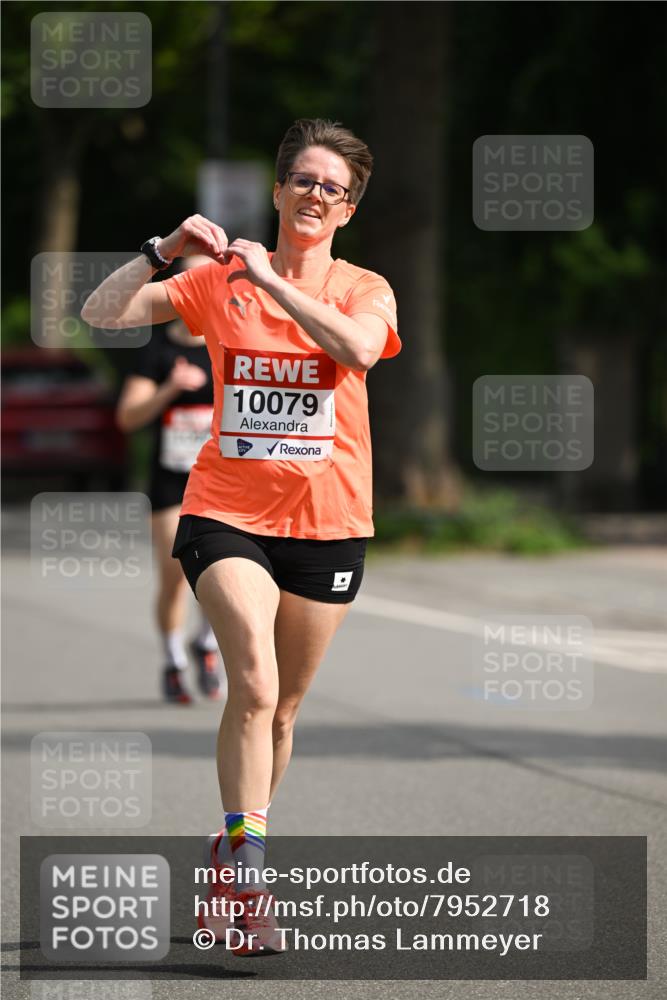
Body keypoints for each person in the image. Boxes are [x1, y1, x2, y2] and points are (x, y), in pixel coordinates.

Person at [81, 117, 400, 956]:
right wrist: (163, 248)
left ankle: (229, 850)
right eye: (303, 180)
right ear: (278, 190)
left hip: (330, 524)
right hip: (225, 511)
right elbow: (99, 311)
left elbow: (358, 352)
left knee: (284, 711)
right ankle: (247, 881)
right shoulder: (216, 280)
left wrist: (273, 281)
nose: (315, 194)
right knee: (253, 686)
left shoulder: (364, 288)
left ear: (347, 210)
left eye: (333, 187)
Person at [115, 256, 225, 705]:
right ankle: (174, 660)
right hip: (171, 483)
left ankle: (208, 645)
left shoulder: (231, 345)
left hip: (222, 481)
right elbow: (127, 417)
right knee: (175, 576)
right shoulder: (157, 352)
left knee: (222, 575)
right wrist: (171, 389)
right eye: (191, 279)